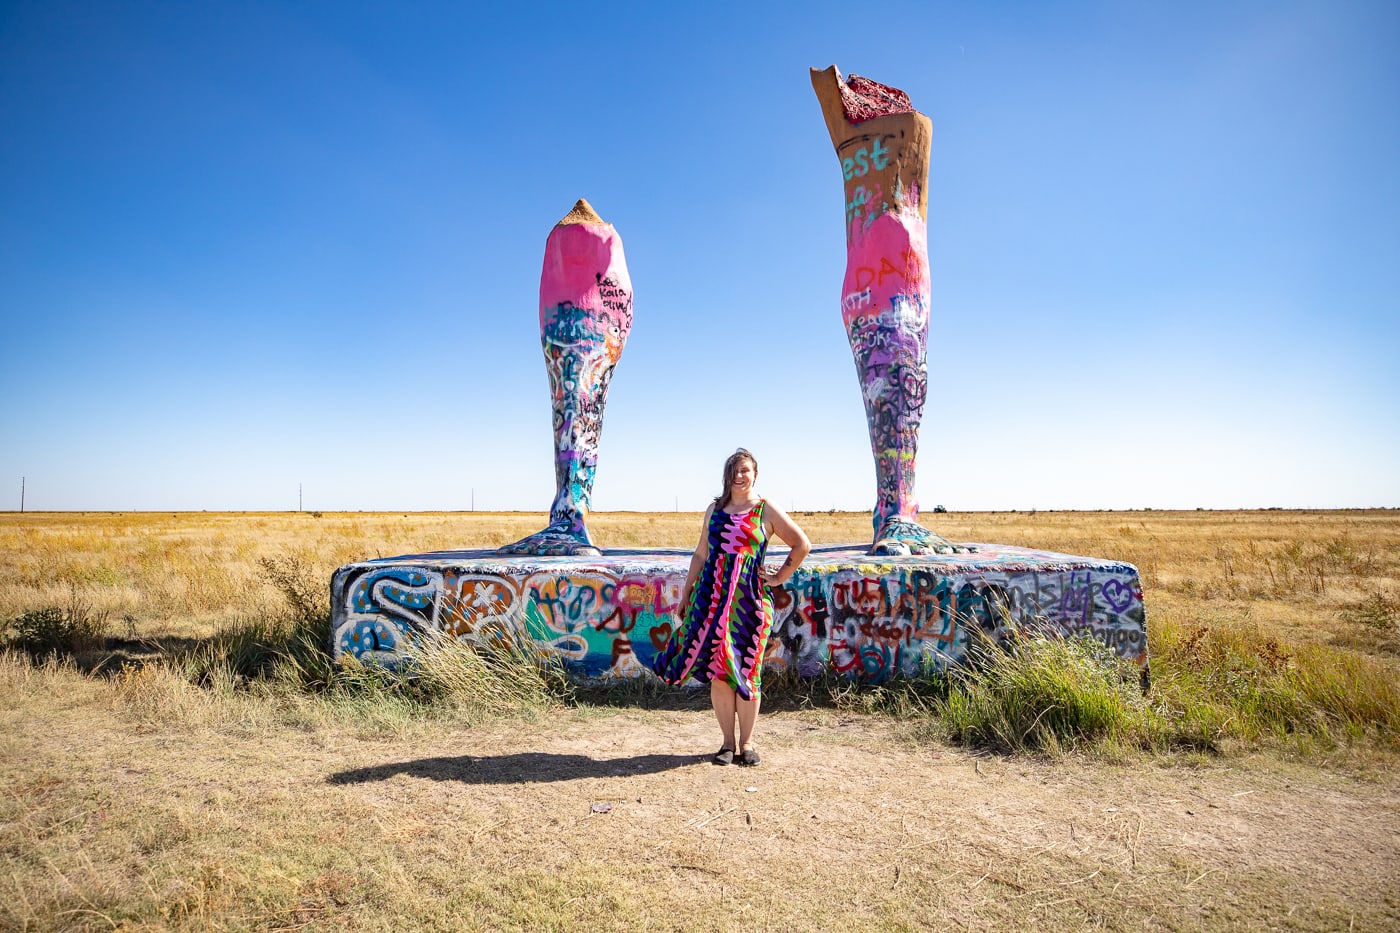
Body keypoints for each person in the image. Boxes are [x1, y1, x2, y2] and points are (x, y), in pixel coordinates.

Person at [652, 448, 811, 766]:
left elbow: (801, 544)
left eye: (746, 470)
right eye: (734, 470)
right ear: (727, 475)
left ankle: (747, 743)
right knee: (720, 674)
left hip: (750, 604)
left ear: (755, 474)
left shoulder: (765, 510)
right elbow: (700, 554)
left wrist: (779, 577)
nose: (740, 475)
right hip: (709, 602)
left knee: (748, 673)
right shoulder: (715, 510)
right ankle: (726, 744)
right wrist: (685, 595)